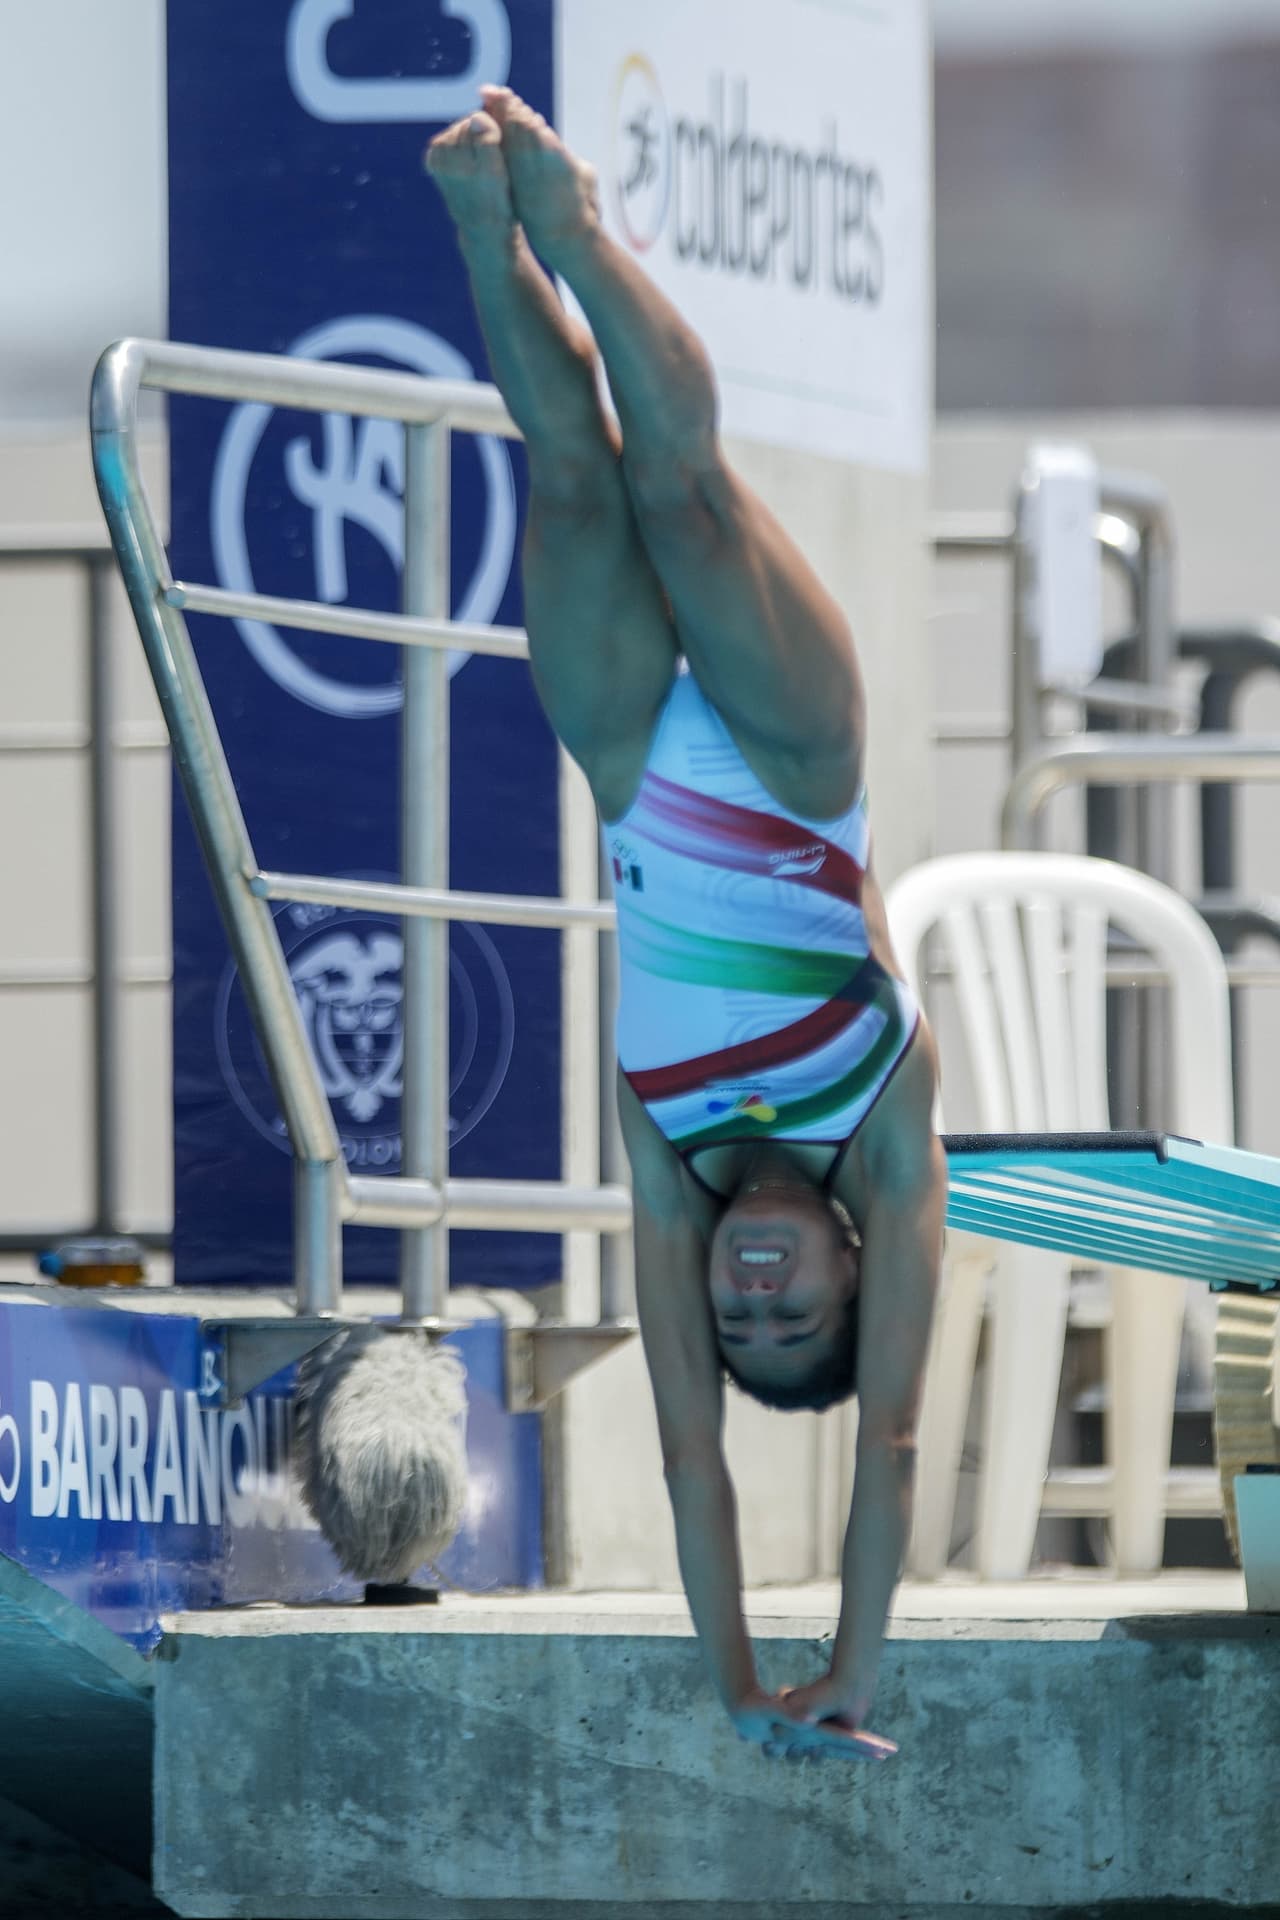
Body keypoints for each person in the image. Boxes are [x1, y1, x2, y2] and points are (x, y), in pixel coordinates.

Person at [427, 87, 947, 1766]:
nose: (758, 1293)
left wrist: (735, 1680)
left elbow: (688, 1466)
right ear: (858, 1274)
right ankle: (574, 227)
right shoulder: (887, 1137)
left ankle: (474, 227)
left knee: (575, 483)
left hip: (639, 772)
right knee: (684, 502)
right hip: (797, 767)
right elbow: (883, 1461)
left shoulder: (668, 1163)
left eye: (743, 1323)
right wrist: (850, 1661)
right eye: (799, 1314)